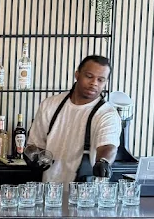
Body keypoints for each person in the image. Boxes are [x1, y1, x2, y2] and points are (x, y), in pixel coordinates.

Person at [28, 54, 121, 184]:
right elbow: (35, 144)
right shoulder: (50, 105)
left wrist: (103, 162)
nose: (94, 83)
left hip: (86, 194)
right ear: (77, 75)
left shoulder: (107, 114)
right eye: (89, 76)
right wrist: (34, 156)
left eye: (100, 80)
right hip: (50, 188)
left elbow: (108, 145)